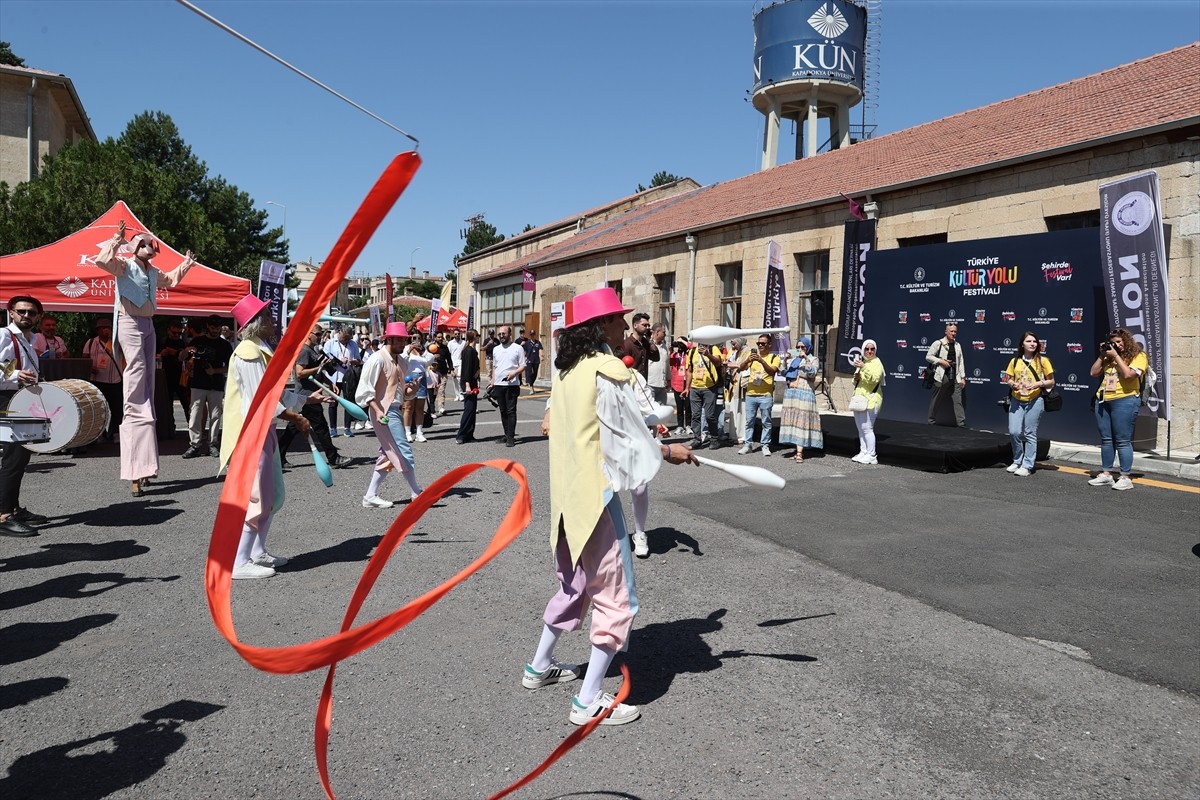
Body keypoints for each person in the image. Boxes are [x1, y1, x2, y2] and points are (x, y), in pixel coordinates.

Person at [524, 287, 696, 727]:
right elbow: (625, 435)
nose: (624, 326)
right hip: (596, 499)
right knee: (618, 598)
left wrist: (658, 436)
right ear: (601, 325)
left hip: (567, 500)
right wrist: (668, 451)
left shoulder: (566, 370)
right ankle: (587, 700)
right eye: (619, 319)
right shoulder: (606, 369)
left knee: (576, 586)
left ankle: (539, 667)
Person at [94, 220, 196, 497]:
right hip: (128, 320)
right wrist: (116, 239)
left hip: (148, 324)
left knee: (147, 386)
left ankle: (146, 464)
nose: (150, 248)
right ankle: (136, 464)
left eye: (152, 245)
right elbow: (102, 262)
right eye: (144, 244)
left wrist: (186, 264)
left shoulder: (153, 272)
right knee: (136, 379)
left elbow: (171, 280)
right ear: (134, 247)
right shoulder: (124, 265)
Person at [219, 295, 312, 579]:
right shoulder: (248, 353)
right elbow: (260, 400)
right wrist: (294, 417)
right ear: (256, 323)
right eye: (269, 317)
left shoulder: (260, 349)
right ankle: (239, 562)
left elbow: (275, 393)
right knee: (257, 496)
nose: (274, 321)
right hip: (251, 434)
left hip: (264, 431)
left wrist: (308, 400)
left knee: (274, 494)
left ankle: (257, 552)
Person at [357, 322, 426, 507]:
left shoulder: (401, 361)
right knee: (403, 449)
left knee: (389, 454)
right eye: (400, 340)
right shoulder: (377, 359)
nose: (403, 343)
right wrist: (378, 411)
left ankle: (370, 496)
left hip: (394, 409)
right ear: (389, 339)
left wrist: (413, 389)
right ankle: (416, 493)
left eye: (405, 340)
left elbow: (405, 392)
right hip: (384, 412)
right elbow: (364, 390)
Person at [0, 295, 50, 537]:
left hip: (21, 399)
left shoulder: (29, 340)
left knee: (21, 457)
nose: (26, 315)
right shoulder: (3, 335)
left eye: (31, 312)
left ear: (37, 316)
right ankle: (3, 515)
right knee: (13, 458)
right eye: (21, 311)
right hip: (6, 399)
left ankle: (13, 508)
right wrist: (15, 375)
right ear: (11, 313)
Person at [1087, 327, 1148, 491]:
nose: (1116, 345)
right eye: (1113, 343)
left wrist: (1116, 357)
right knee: (1106, 439)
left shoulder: (1139, 356)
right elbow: (1093, 372)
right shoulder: (1108, 357)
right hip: (1103, 399)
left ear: (1126, 341)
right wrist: (1102, 355)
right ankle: (1106, 474)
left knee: (1122, 440)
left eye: (1119, 342)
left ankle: (1125, 477)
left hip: (1125, 399)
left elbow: (1129, 375)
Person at [277, 326, 345, 469]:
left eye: (321, 334)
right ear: (309, 334)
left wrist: (330, 383)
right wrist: (320, 367)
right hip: (306, 395)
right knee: (321, 428)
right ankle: (333, 458)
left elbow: (318, 373)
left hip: (309, 396)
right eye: (318, 334)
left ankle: (278, 457)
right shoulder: (304, 351)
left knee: (293, 427)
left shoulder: (313, 350)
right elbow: (300, 373)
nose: (320, 337)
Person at [1003, 332, 1055, 477]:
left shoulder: (1043, 361)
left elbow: (1051, 381)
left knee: (1030, 433)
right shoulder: (1015, 361)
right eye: (1029, 341)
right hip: (1017, 399)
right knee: (1014, 431)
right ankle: (1017, 460)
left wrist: (1038, 383)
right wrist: (1013, 384)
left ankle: (1027, 465)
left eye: (1034, 341)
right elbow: (1008, 378)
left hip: (1035, 400)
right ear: (1022, 344)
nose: (1032, 344)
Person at [180, 315, 232, 459]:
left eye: (218, 327)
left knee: (215, 416)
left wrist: (215, 371)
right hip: (198, 384)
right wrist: (187, 350)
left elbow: (231, 366)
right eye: (213, 326)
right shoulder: (198, 341)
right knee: (195, 414)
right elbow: (181, 358)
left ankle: (213, 444)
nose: (215, 329)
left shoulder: (225, 345)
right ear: (208, 326)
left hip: (216, 384)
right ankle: (195, 445)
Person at [778, 337, 823, 462]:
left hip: (804, 392)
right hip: (792, 392)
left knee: (802, 421)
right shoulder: (794, 360)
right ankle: (796, 449)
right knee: (794, 420)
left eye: (803, 347)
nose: (800, 349)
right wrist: (785, 360)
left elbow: (812, 373)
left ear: (808, 347)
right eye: (798, 347)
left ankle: (800, 453)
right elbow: (783, 372)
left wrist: (806, 358)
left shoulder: (813, 359)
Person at [737, 335, 780, 456]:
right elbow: (740, 368)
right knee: (749, 421)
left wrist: (761, 361)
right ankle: (748, 445)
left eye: (763, 344)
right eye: (758, 343)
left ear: (769, 345)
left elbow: (772, 372)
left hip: (765, 395)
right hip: (751, 394)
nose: (760, 345)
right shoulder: (751, 356)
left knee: (766, 422)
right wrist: (747, 360)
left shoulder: (774, 358)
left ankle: (765, 445)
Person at [83, 319, 123, 442]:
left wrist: (113, 338)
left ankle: (116, 433)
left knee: (117, 409)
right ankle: (99, 434)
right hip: (96, 381)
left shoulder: (117, 342)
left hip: (114, 380)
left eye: (108, 328)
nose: (106, 330)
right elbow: (84, 360)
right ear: (98, 330)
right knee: (98, 408)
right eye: (103, 328)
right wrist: (90, 367)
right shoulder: (91, 342)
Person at [489, 325, 526, 446]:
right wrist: (493, 380)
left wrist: (514, 373)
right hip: (499, 384)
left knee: (511, 411)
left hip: (512, 385)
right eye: (499, 334)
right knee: (503, 411)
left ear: (510, 334)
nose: (501, 336)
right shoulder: (496, 349)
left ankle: (511, 437)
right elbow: (495, 366)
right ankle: (506, 435)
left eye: (503, 333)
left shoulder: (518, 348)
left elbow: (523, 365)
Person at [925, 323, 966, 427]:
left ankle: (961, 423)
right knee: (936, 399)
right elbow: (928, 356)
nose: (953, 333)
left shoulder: (957, 345)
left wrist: (963, 377)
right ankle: (931, 420)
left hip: (955, 376)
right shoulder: (938, 343)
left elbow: (961, 362)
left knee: (958, 400)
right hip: (942, 376)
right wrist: (941, 361)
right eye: (951, 331)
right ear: (946, 332)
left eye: (955, 331)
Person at [850, 339, 884, 464]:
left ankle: (872, 455)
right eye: (867, 349)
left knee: (867, 428)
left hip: (871, 399)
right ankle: (863, 451)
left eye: (872, 349)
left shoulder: (877, 363)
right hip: (860, 399)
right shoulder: (863, 362)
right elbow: (855, 382)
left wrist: (863, 368)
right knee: (860, 428)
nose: (869, 351)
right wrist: (856, 377)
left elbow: (874, 379)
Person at [323, 327, 360, 437]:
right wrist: (338, 361)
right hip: (334, 378)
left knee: (348, 403)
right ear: (339, 333)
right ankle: (333, 428)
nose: (345, 340)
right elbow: (325, 359)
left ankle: (347, 428)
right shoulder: (330, 343)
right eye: (344, 338)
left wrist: (351, 361)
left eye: (348, 338)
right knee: (333, 403)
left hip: (348, 377)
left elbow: (358, 360)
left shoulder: (353, 344)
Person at [685, 342, 722, 448]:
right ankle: (697, 439)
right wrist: (687, 387)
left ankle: (714, 439)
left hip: (709, 388)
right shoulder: (692, 351)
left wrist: (708, 354)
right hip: (695, 388)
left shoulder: (713, 348)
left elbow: (718, 363)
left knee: (709, 415)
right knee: (695, 415)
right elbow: (690, 371)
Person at [157, 319, 190, 423]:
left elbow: (186, 355)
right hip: (166, 376)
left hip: (180, 377)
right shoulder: (162, 342)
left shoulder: (181, 342)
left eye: (179, 333)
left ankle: (191, 424)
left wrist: (173, 352)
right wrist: (161, 354)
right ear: (168, 331)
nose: (176, 335)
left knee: (186, 403)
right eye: (174, 332)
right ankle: (170, 427)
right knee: (168, 404)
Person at [455, 330, 482, 444]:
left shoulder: (473, 350)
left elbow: (475, 367)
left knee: (472, 409)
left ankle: (469, 434)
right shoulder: (468, 351)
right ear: (474, 337)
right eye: (478, 336)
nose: (479, 337)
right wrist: (467, 385)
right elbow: (466, 369)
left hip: (473, 381)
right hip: (468, 383)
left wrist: (478, 377)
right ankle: (461, 435)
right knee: (469, 409)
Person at [668, 339, 692, 435]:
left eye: (681, 344)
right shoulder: (674, 355)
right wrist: (670, 350)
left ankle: (688, 425)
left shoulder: (688, 355)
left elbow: (692, 347)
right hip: (676, 384)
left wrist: (683, 341)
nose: (679, 346)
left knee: (688, 407)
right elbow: (669, 364)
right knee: (679, 407)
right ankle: (680, 425)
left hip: (687, 385)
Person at [646, 323, 669, 405]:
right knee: (650, 409)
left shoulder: (664, 346)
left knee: (662, 410)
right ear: (657, 332)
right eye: (663, 332)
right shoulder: (648, 345)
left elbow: (667, 363)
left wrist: (668, 379)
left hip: (662, 386)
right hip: (650, 384)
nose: (665, 334)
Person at [446, 329, 465, 401]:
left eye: (458, 334)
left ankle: (461, 394)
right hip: (453, 363)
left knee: (459, 378)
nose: (457, 335)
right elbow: (448, 354)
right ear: (453, 334)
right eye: (456, 334)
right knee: (454, 380)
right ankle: (457, 395)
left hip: (460, 362)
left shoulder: (463, 342)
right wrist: (448, 364)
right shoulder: (450, 343)